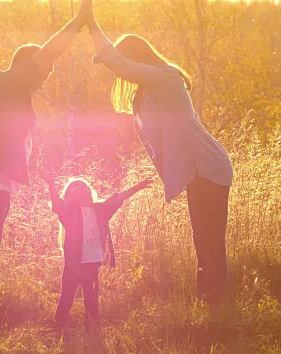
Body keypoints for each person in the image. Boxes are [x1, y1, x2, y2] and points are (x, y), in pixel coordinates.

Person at [84, 0, 234, 306]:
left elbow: (121, 64)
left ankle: (217, 307)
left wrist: (91, 24)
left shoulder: (165, 76)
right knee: (201, 241)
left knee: (210, 243)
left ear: (136, 60)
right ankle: (209, 304)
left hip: (210, 168)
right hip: (198, 172)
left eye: (127, 64)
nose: (123, 75)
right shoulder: (151, 88)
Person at [0, 0, 92, 331]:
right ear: (28, 68)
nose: (44, 79)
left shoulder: (8, 93)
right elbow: (48, 52)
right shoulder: (9, 83)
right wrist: (77, 21)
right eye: (42, 73)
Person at [41, 171, 152, 330]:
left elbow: (118, 197)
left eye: (82, 185)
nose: (79, 187)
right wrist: (51, 184)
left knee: (92, 300)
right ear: (70, 195)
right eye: (75, 186)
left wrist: (138, 186)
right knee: (66, 298)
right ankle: (59, 326)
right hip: (73, 265)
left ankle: (92, 330)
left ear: (88, 191)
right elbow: (57, 205)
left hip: (92, 264)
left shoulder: (100, 210)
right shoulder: (69, 213)